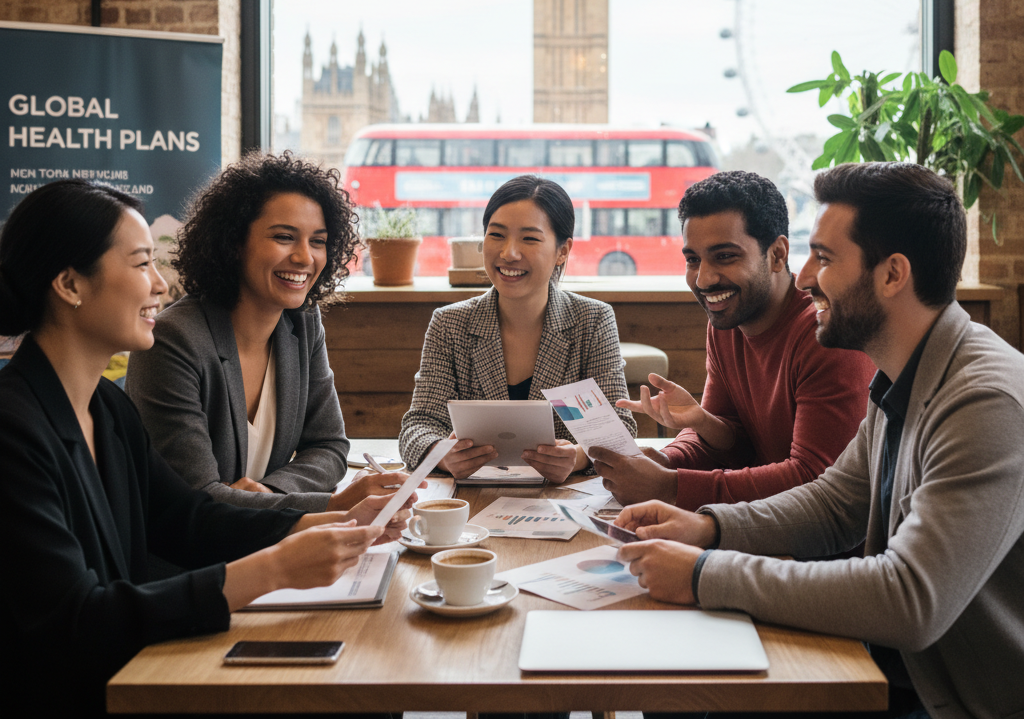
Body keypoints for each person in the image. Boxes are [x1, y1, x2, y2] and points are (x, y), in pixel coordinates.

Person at [616, 162, 1024, 719]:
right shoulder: (904, 377)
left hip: (950, 699)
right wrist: (707, 526)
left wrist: (704, 571)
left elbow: (909, 600)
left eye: (825, 258)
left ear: (892, 274)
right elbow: (834, 502)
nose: (805, 279)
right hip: (890, 663)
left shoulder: (986, 401)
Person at [0, 180, 403, 717]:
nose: (161, 286)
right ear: (70, 283)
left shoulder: (106, 409)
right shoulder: (12, 429)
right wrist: (275, 568)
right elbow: (78, 622)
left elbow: (186, 518)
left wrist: (322, 522)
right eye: (142, 264)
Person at [127, 152, 400, 512]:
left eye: (318, 241)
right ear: (234, 243)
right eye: (285, 237)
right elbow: (197, 501)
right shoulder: (173, 340)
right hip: (190, 561)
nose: (305, 257)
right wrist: (332, 504)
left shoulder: (302, 322)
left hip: (269, 543)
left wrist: (271, 492)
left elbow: (330, 447)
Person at [591, 170, 875, 508]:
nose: (704, 278)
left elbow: (815, 478)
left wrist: (672, 486)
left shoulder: (826, 334)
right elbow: (731, 442)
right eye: (692, 259)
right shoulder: (727, 322)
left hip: (824, 554)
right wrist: (665, 460)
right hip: (758, 531)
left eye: (725, 256)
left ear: (778, 255)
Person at [399, 175, 636, 482]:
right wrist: (442, 455)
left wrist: (576, 458)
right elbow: (418, 425)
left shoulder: (592, 321)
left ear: (562, 251)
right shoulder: (450, 324)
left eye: (529, 238)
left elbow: (619, 430)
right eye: (496, 235)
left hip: (560, 501)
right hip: (471, 506)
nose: (509, 253)